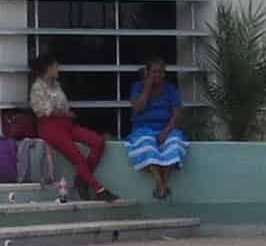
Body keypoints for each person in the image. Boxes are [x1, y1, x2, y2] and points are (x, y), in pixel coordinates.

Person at [24, 57, 114, 200]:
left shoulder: (57, 85)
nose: (58, 70)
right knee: (77, 157)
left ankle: (82, 179)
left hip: (66, 124)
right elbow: (46, 111)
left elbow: (63, 107)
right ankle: (99, 189)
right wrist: (64, 113)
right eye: (55, 67)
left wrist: (65, 114)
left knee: (98, 142)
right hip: (50, 128)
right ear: (47, 69)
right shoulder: (37, 88)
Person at [125, 59, 189, 200]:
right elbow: (138, 108)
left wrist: (166, 132)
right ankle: (161, 184)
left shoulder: (170, 89)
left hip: (167, 128)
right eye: (154, 72)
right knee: (147, 145)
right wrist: (147, 88)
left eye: (160, 72)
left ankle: (163, 184)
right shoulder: (138, 87)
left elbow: (177, 114)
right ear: (147, 73)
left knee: (175, 143)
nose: (157, 75)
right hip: (143, 129)